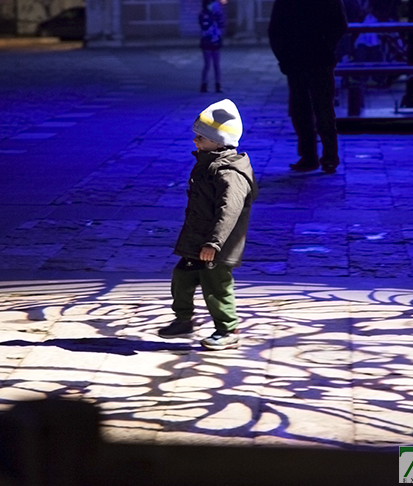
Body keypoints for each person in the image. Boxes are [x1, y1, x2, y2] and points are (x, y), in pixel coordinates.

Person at [158, 99, 258, 351]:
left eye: (200, 137)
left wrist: (214, 243)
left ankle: (228, 329)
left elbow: (229, 211)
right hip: (197, 239)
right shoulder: (208, 163)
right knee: (182, 276)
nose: (195, 141)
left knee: (217, 287)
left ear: (218, 141)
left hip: (217, 245)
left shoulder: (229, 174)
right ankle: (183, 319)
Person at [268, 0, 348, 174]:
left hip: (296, 59)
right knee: (323, 108)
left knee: (301, 109)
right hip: (319, 58)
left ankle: (309, 155)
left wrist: (283, 56)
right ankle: (329, 157)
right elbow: (340, 26)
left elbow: (275, 30)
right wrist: (328, 47)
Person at [199, 0, 228, 93]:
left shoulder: (218, 14)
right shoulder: (203, 14)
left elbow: (222, 25)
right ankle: (204, 84)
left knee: (216, 65)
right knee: (207, 64)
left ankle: (218, 84)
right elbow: (204, 27)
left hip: (216, 42)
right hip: (207, 42)